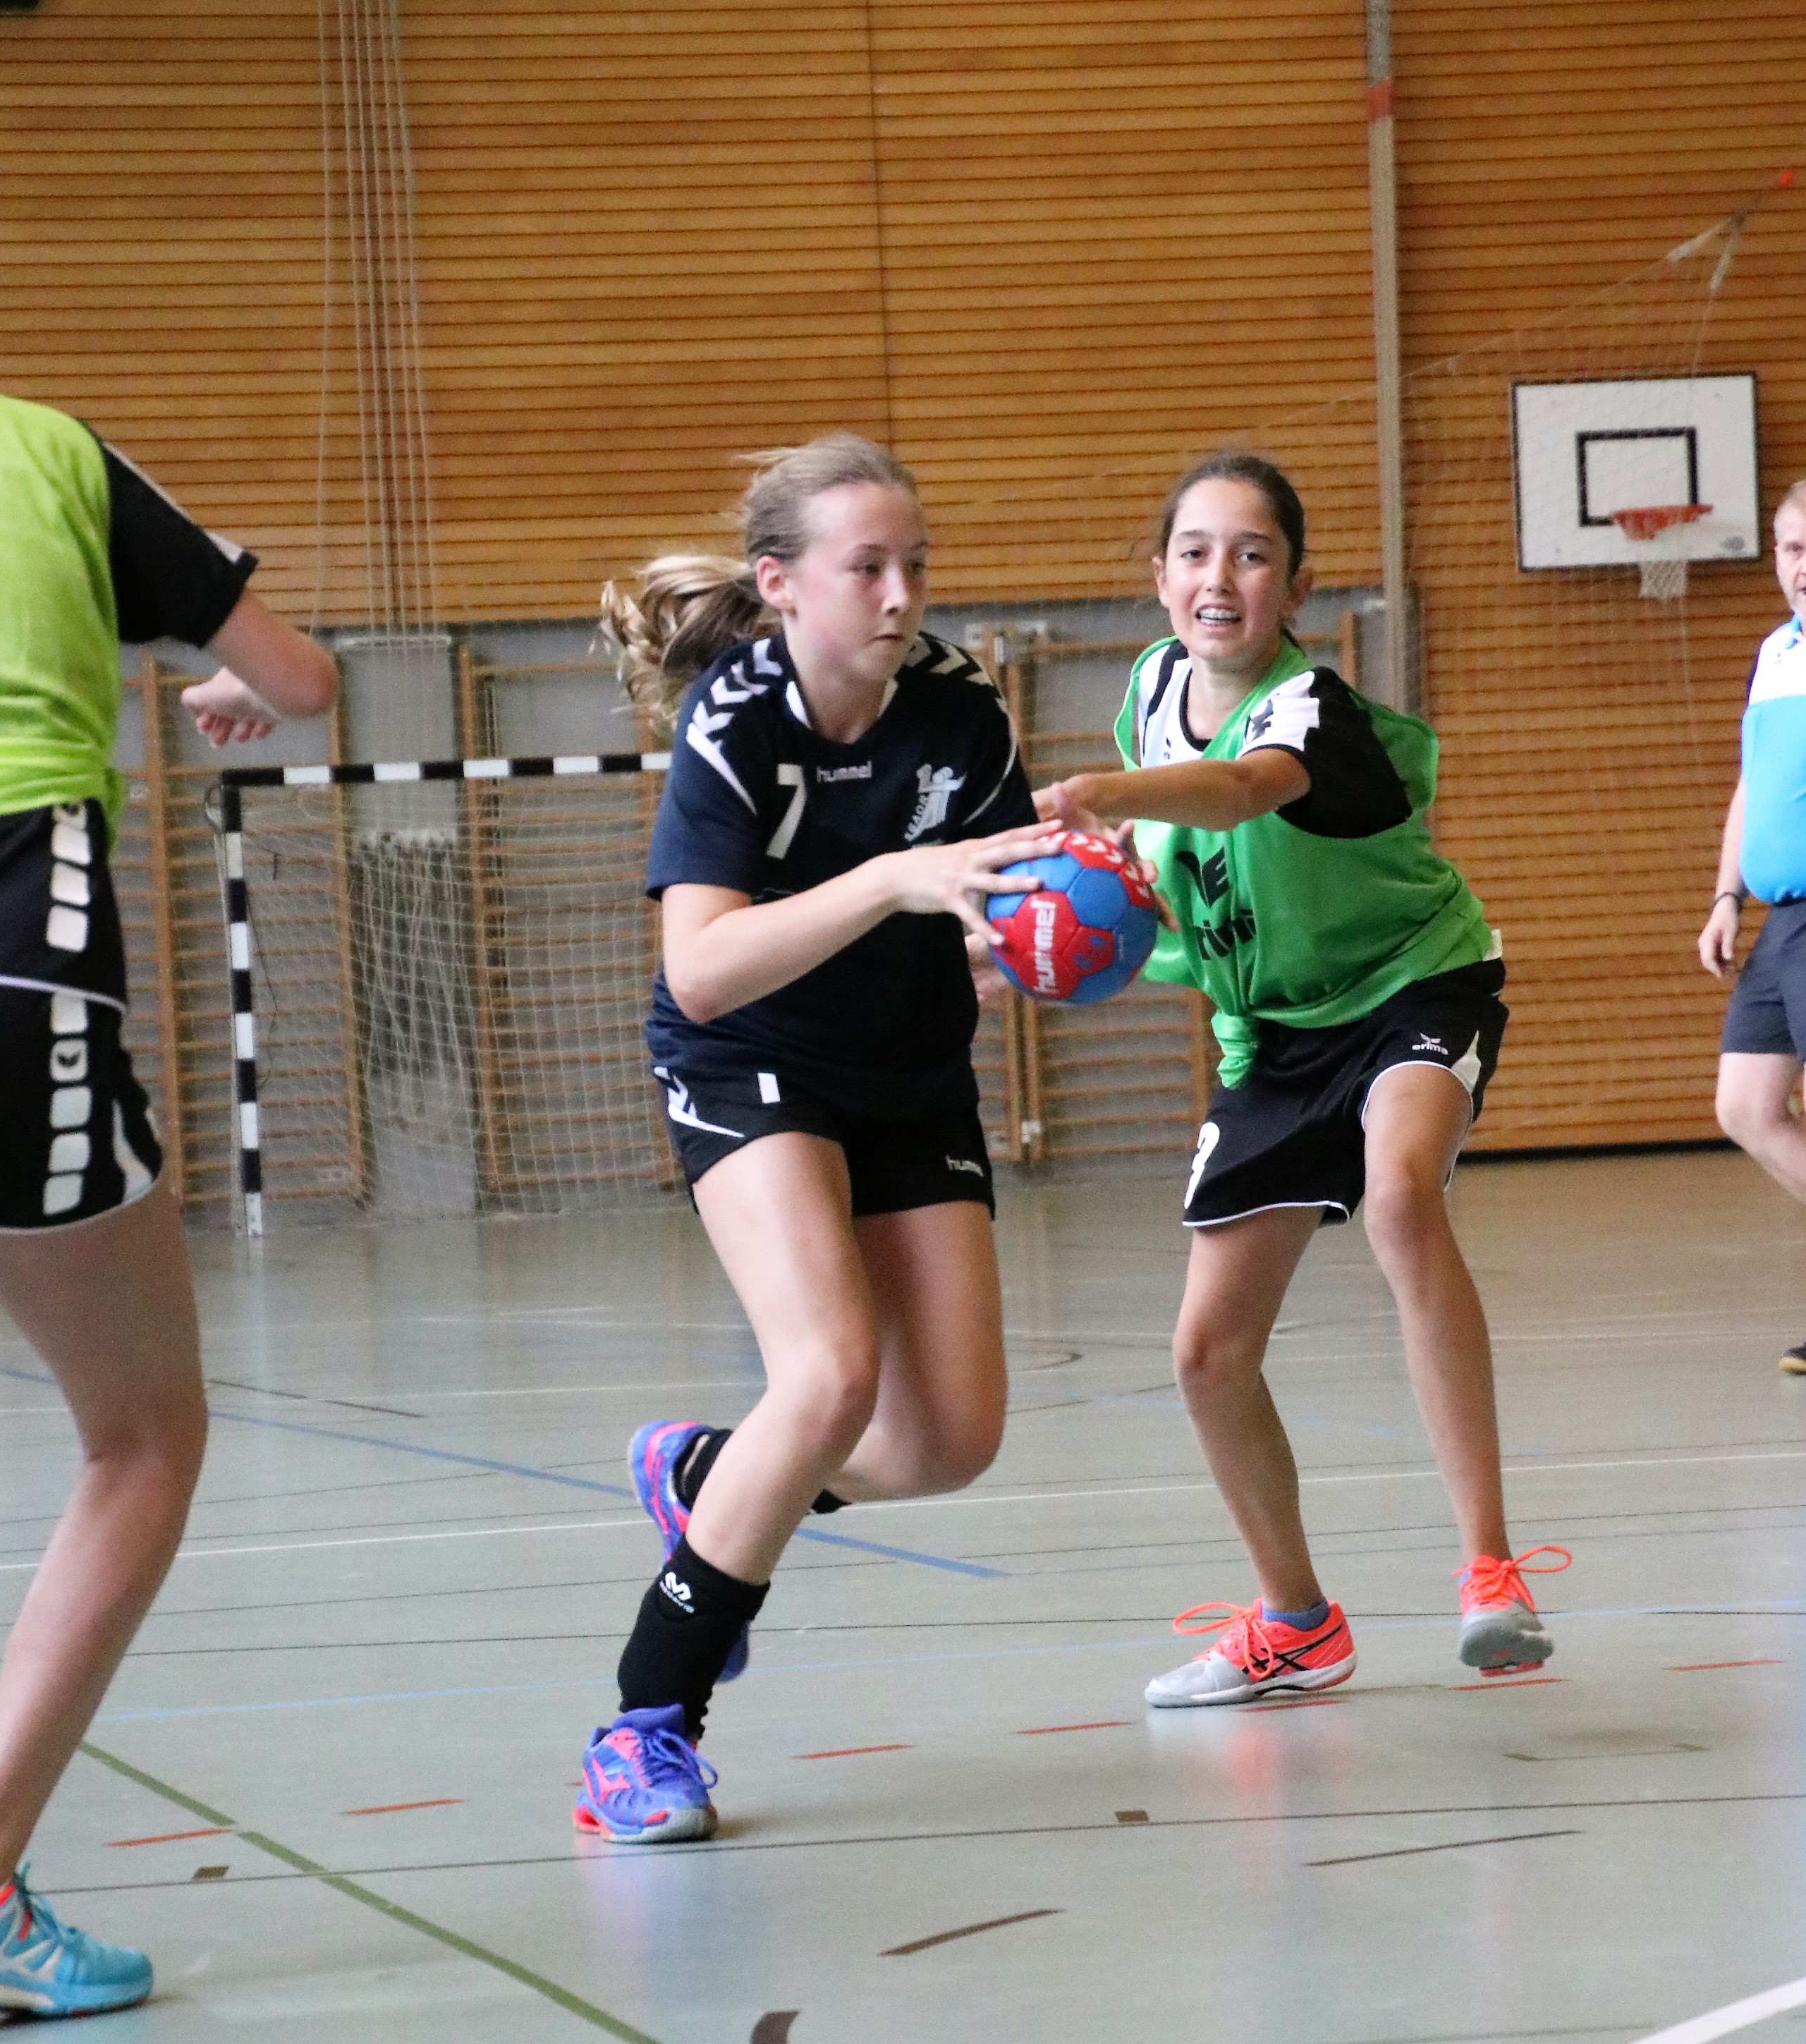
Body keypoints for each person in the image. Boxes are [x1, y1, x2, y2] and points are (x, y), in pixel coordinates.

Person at [579, 434, 1051, 1844]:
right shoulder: (736, 723)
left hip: (908, 1066)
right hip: (750, 1059)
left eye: (916, 564)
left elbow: (992, 890)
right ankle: (643, 1726)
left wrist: (1039, 924)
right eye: (867, 568)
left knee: (950, 1438)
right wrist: (891, 878)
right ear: (780, 583)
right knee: (830, 1371)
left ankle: (706, 1476)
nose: (901, 593)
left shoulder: (959, 705)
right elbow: (700, 970)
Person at [1039, 449, 1568, 1707]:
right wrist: (1050, 937)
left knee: (1401, 1194)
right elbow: (1180, 884)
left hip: (1412, 984)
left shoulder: (1307, 708)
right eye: (1195, 552)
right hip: (1273, 1036)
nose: (1219, 577)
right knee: (1205, 1353)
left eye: (1251, 553)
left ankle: (1490, 1570)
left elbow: (1236, 793)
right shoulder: (1151, 688)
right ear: (1160, 575)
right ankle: (1295, 1622)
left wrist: (1100, 791)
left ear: (1295, 584)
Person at [0, 390, 338, 2017]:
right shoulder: (47, 454)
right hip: (11, 945)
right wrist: (233, 684)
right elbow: (300, 680)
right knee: (141, 1437)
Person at [1703, 476, 1806, 1372]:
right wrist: (1726, 895)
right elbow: (1752, 786)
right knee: (1745, 1107)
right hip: (1779, 917)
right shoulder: (1774, 653)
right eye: (1795, 549)